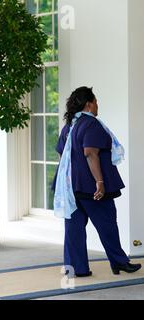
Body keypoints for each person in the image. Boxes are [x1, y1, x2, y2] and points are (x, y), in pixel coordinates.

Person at [54, 86, 141, 277]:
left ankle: (76, 269)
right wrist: (99, 182)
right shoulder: (91, 124)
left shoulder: (69, 126)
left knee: (73, 230)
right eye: (96, 101)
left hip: (70, 187)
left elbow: (62, 154)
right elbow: (90, 153)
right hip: (91, 187)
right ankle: (119, 262)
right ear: (89, 103)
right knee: (108, 224)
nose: (97, 105)